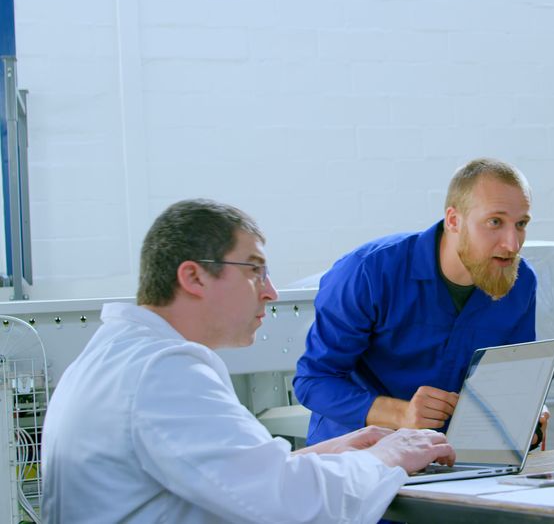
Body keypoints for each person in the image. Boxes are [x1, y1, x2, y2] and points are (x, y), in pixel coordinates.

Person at [42, 199, 455, 524]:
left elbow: (224, 477)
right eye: (255, 270)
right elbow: (288, 506)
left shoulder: (119, 356)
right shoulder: (162, 372)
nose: (271, 291)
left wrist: (328, 454)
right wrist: (387, 457)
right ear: (194, 277)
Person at [294, 158, 544, 445]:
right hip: (356, 461)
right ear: (453, 220)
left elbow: (510, 383)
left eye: (521, 224)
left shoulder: (520, 282)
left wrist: (526, 416)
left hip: (452, 460)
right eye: (495, 222)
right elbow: (313, 382)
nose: (512, 244)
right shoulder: (369, 272)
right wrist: (401, 414)